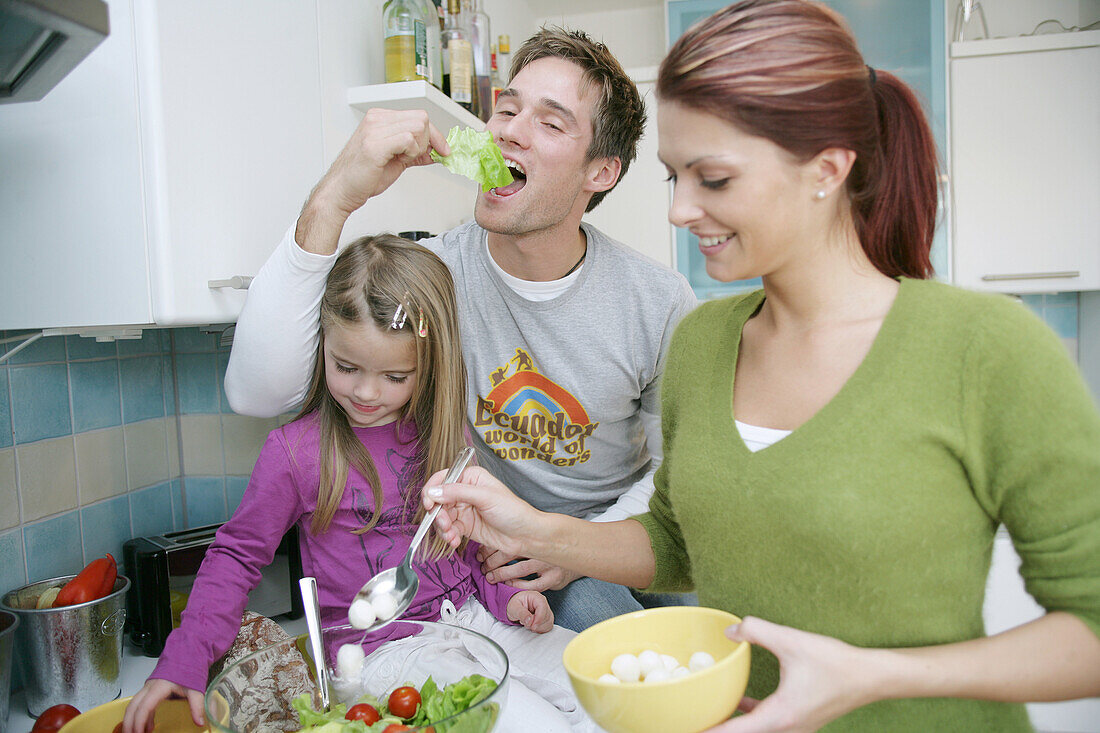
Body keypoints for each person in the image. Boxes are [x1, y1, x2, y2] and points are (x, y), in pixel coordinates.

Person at [422, 1, 1100, 730]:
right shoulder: (705, 342)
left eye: (712, 178)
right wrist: (531, 528)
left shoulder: (986, 348)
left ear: (826, 171)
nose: (681, 210)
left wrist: (870, 676)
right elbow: (677, 542)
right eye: (673, 178)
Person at [224, 27, 698, 632]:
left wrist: (576, 543)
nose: (509, 130)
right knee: (612, 646)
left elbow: (675, 468)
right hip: (502, 568)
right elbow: (258, 395)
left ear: (600, 172)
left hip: (623, 536)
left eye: (550, 123)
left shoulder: (656, 301)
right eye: (505, 109)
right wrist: (336, 197)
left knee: (725, 643)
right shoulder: (433, 279)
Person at [123, 235, 595, 733]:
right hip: (383, 651)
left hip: (477, 619)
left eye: (395, 376)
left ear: (428, 366)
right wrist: (185, 661)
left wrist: (508, 599)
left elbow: (464, 550)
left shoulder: (443, 433)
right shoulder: (296, 454)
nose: (367, 392)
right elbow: (235, 558)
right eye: (346, 367)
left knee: (605, 688)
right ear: (323, 343)